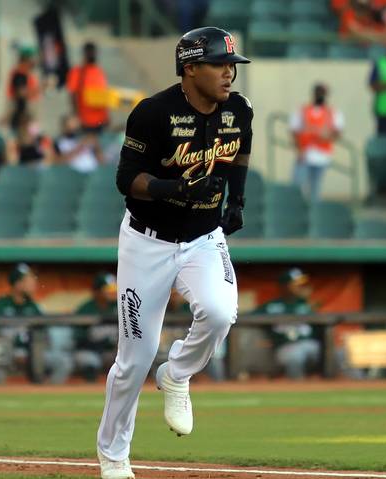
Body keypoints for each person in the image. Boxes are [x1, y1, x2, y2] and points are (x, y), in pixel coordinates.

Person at [96, 26, 253, 479]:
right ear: (190, 69)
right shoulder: (152, 113)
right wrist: (174, 188)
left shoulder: (238, 110)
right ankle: (113, 454)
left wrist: (236, 201)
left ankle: (178, 372)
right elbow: (127, 179)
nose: (229, 74)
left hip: (204, 237)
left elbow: (239, 154)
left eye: (232, 66)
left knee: (221, 313)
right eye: (220, 65)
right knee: (134, 360)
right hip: (147, 241)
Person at [0, 263, 73, 384]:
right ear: (17, 283)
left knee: (63, 362)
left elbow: (45, 334)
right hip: (6, 353)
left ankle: (46, 394)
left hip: (32, 353)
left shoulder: (35, 307)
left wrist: (35, 352)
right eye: (28, 280)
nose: (33, 283)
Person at [256, 269, 320, 379]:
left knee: (335, 354)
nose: (301, 287)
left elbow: (319, 329)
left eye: (302, 285)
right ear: (285, 286)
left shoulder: (306, 305)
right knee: (295, 355)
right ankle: (297, 388)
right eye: (296, 284)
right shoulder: (272, 306)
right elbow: (247, 317)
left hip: (309, 344)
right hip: (285, 347)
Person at [289, 83, 345, 204]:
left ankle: (313, 217)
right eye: (319, 92)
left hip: (322, 156)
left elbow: (338, 132)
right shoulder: (303, 111)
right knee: (297, 188)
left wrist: (328, 136)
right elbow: (294, 131)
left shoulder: (332, 112)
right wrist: (299, 150)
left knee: (315, 191)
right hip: (305, 155)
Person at [74, 273, 120, 382]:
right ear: (97, 292)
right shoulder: (86, 309)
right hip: (90, 351)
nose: (112, 293)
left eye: (114, 289)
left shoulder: (119, 307)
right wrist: (99, 343)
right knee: (89, 361)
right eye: (107, 290)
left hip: (112, 351)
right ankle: (89, 390)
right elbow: (79, 339)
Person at [66, 42, 110, 134]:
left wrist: (107, 116)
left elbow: (104, 96)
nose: (92, 54)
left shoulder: (99, 71)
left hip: (100, 121)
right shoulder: (77, 72)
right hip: (84, 122)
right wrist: (76, 116)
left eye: (93, 52)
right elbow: (72, 95)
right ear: (84, 53)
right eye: (89, 52)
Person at [6, 46, 42, 133]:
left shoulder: (26, 71)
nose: (35, 60)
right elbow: (21, 93)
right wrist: (42, 87)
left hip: (28, 110)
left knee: (33, 134)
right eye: (33, 58)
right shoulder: (20, 73)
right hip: (24, 109)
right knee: (29, 134)